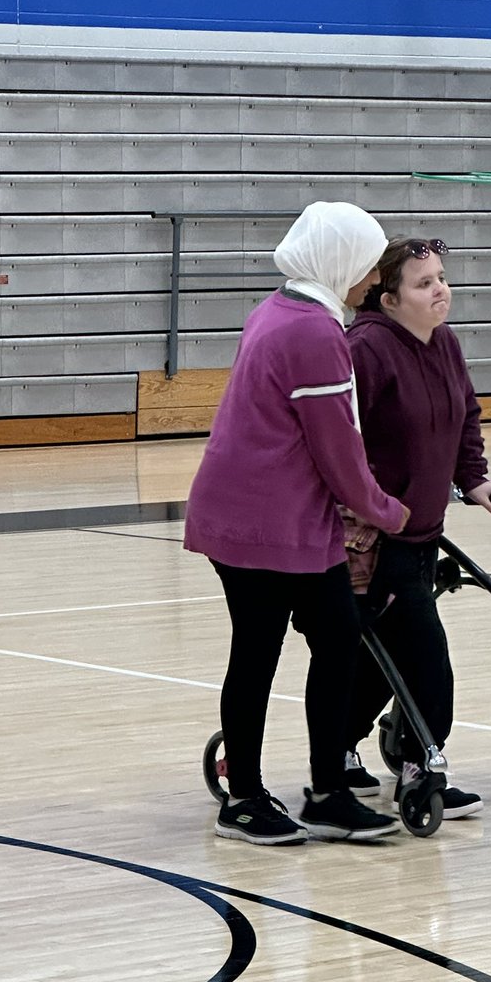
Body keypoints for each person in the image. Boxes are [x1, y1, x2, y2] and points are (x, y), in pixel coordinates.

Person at [184, 201, 411, 845]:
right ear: (341, 263)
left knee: (337, 638)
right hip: (259, 522)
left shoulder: (278, 308)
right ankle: (246, 798)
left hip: (280, 517)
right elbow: (338, 450)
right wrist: (387, 510)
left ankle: (328, 791)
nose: (372, 280)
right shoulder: (313, 332)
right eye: (367, 267)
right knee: (258, 652)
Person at [339, 236, 491, 819]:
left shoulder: (445, 343)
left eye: (441, 277)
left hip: (423, 534)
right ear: (388, 299)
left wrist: (476, 480)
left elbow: (465, 417)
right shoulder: (366, 349)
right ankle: (420, 764)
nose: (441, 290)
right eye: (424, 283)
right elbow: (340, 441)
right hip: (374, 539)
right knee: (423, 657)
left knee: (383, 656)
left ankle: (348, 746)